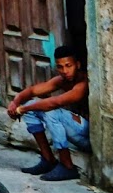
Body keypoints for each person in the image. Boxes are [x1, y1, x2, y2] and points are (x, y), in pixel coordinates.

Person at [8, 45, 90, 181]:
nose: (65, 71)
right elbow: (32, 91)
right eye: (60, 67)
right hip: (75, 130)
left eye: (68, 66)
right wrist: (15, 102)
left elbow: (55, 102)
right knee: (30, 105)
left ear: (78, 64)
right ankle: (48, 159)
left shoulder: (83, 83)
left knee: (50, 111)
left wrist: (21, 109)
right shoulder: (61, 81)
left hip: (88, 136)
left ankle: (67, 166)